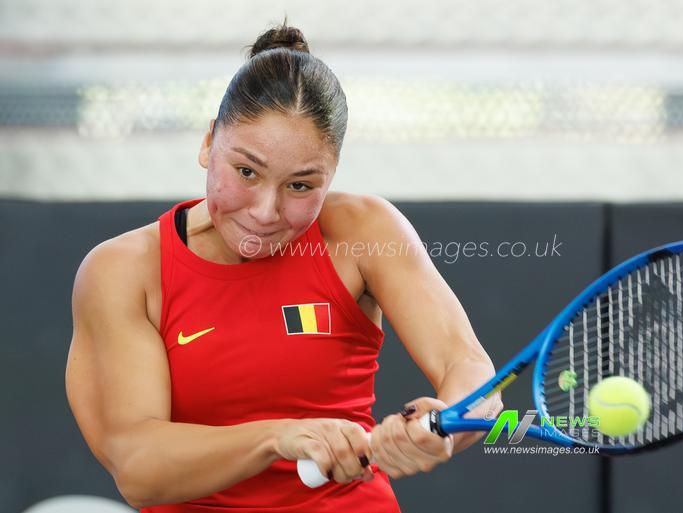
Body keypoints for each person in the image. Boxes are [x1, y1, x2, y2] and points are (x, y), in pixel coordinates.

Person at [66, 22, 501, 512]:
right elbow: (139, 466)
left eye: (300, 186)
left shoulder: (366, 231)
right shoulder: (122, 270)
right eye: (246, 172)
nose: (265, 211)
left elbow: (470, 371)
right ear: (209, 142)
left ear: (332, 174)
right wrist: (281, 437)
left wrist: (448, 421)